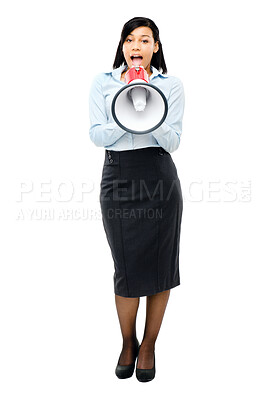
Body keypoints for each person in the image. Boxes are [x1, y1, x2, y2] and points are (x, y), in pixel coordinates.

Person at [89, 17, 185, 382]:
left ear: (155, 48)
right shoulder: (102, 83)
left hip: (159, 177)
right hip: (118, 177)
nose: (136, 46)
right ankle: (128, 342)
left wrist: (149, 104)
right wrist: (126, 108)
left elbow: (173, 141)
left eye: (145, 40)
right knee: (126, 270)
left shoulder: (171, 85)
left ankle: (149, 346)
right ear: (122, 46)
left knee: (160, 269)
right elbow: (98, 135)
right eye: (130, 39)